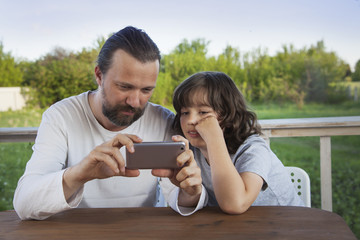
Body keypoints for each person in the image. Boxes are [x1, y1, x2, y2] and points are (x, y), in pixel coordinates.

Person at [13, 26, 206, 220]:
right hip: (76, 231)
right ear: (99, 75)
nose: (135, 101)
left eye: (146, 90)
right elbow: (24, 203)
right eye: (124, 87)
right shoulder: (60, 116)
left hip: (140, 230)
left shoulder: (163, 119)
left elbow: (176, 197)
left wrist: (191, 192)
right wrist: (80, 173)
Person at [172, 71, 304, 214]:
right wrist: (190, 192)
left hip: (286, 224)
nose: (190, 120)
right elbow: (190, 204)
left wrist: (214, 138)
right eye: (185, 112)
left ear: (229, 114)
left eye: (203, 112)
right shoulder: (192, 152)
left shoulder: (253, 149)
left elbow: (235, 204)